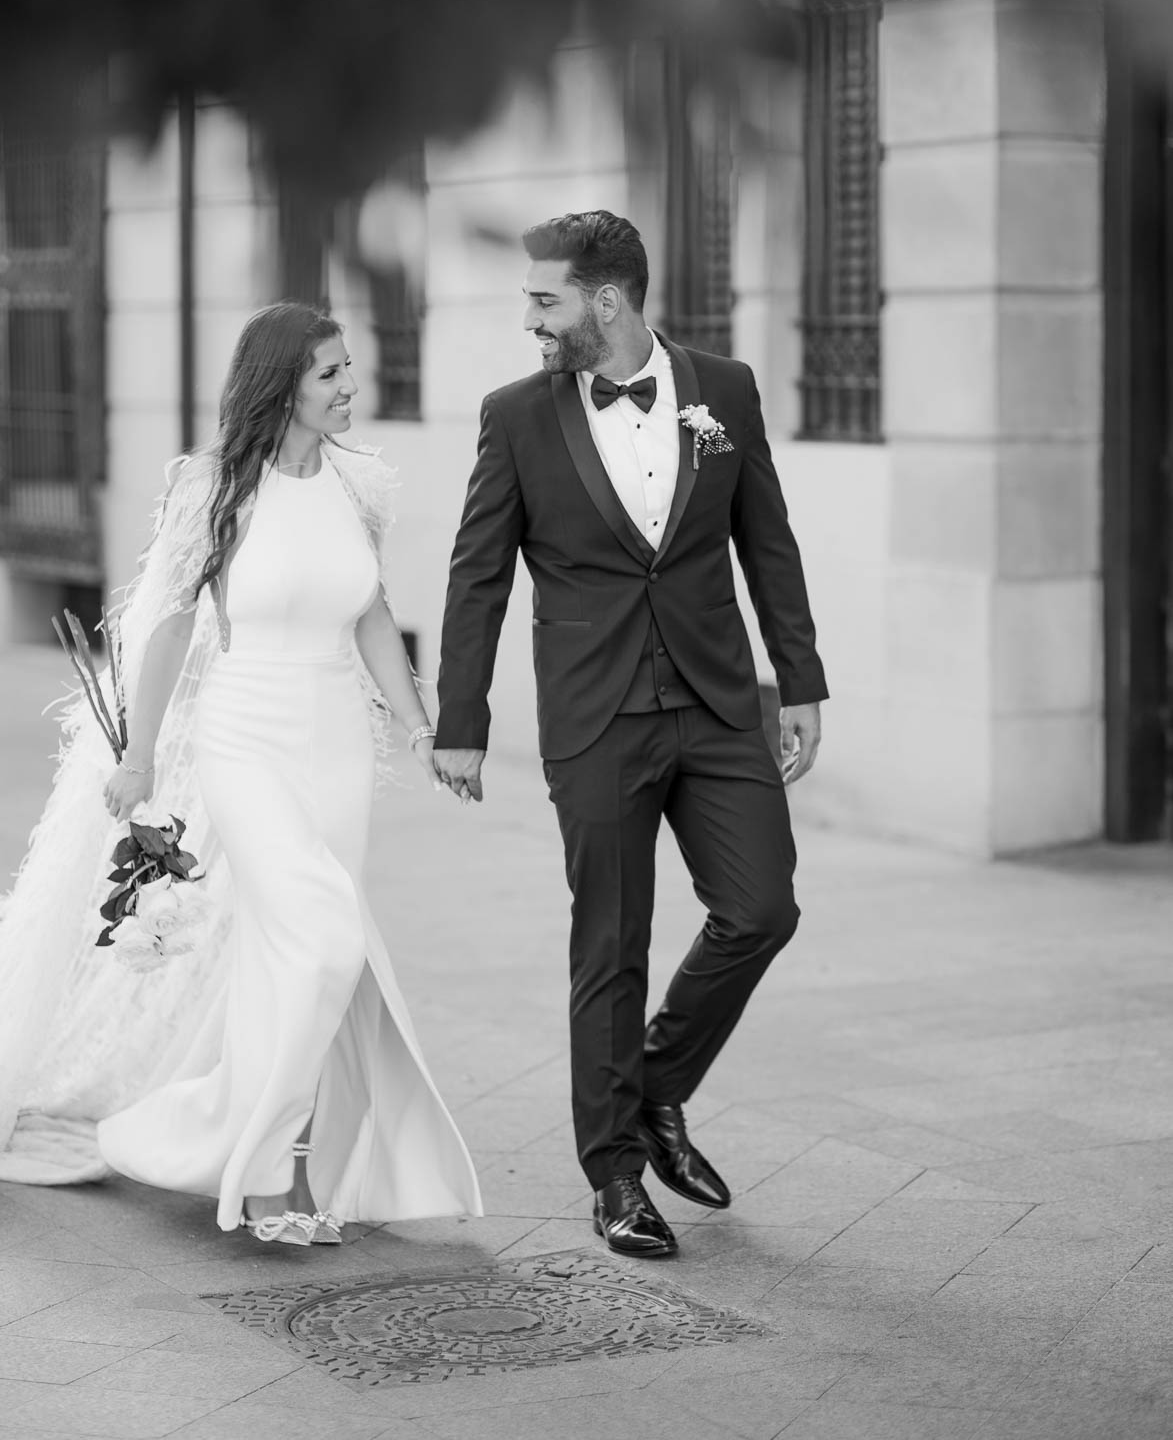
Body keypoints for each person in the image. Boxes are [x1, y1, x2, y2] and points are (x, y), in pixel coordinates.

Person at [0, 301, 480, 1244]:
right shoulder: (214, 486)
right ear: (282, 386)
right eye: (331, 373)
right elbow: (174, 621)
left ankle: (277, 1159)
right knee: (323, 937)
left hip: (334, 739)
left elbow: (373, 614)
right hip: (245, 736)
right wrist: (138, 757)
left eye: (349, 369)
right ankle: (259, 1170)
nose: (351, 387)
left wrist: (419, 726)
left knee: (284, 951)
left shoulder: (360, 486)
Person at [433, 211, 827, 1259]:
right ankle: (613, 1175)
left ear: (606, 302)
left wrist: (800, 680)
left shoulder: (724, 390)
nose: (530, 318)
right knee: (611, 939)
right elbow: (478, 575)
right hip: (595, 709)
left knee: (761, 907)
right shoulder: (516, 416)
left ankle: (655, 1087)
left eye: (544, 299)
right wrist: (459, 720)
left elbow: (768, 543)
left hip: (713, 695)